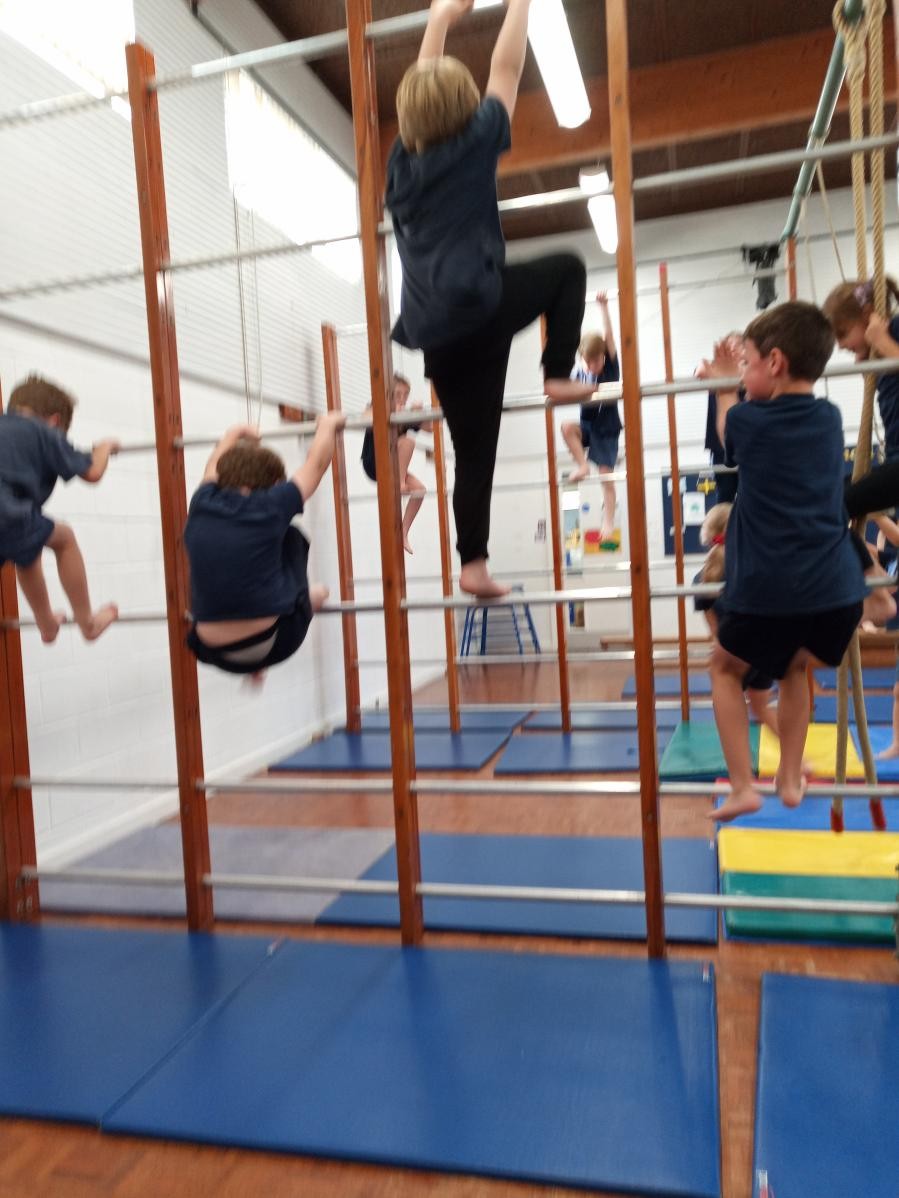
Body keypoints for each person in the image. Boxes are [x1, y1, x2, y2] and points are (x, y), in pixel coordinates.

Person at [386, 0, 593, 598]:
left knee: (474, 454)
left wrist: (439, 20)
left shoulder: (400, 167)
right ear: (466, 109)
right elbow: (506, 68)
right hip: (481, 307)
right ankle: (557, 372)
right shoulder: (475, 141)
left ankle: (472, 564)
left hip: (437, 335)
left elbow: (423, 92)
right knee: (568, 268)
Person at [696, 301, 868, 822]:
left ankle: (743, 787)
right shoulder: (829, 418)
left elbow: (728, 433)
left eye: (747, 364)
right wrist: (737, 377)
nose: (743, 376)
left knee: (724, 668)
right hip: (837, 592)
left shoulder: (749, 419)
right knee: (795, 667)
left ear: (774, 363)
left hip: (771, 588)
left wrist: (723, 388)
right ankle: (789, 778)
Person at [183, 413, 344, 680]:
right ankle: (306, 600)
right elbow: (316, 464)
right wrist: (328, 425)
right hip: (276, 641)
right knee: (290, 536)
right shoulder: (271, 504)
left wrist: (233, 434)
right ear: (273, 484)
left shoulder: (201, 502)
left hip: (207, 649)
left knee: (240, 555)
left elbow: (213, 465)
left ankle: (281, 612)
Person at [0, 375, 119, 643]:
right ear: (55, 421)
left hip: (10, 515)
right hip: (6, 512)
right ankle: (87, 623)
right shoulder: (45, 432)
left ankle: (46, 623)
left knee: (26, 547)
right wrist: (103, 448)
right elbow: (92, 472)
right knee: (63, 539)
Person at [692, 502, 779, 737]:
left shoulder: (702, 577)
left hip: (733, 652)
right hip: (765, 650)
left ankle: (737, 754)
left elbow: (712, 623)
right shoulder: (753, 566)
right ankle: (798, 757)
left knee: (728, 706)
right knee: (761, 708)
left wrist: (717, 643)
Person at [561, 292, 621, 543]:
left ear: (603, 356)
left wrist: (604, 307)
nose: (592, 367)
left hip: (606, 429)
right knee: (567, 427)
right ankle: (582, 465)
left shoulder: (610, 368)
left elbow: (609, 336)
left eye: (595, 362)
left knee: (606, 475)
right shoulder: (581, 372)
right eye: (588, 362)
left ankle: (608, 520)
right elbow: (565, 388)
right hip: (588, 427)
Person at [823, 278, 899, 461]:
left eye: (842, 334)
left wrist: (883, 342)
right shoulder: (876, 354)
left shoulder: (895, 329)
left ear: (868, 314)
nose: (840, 346)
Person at [361, 373, 426, 554]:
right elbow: (365, 417)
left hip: (391, 467)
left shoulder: (403, 415)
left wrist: (418, 413)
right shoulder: (376, 406)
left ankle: (403, 532)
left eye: (405, 395)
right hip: (374, 463)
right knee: (408, 442)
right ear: (387, 393)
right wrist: (389, 411)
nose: (402, 399)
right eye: (398, 394)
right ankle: (400, 483)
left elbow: (429, 428)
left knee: (420, 490)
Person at [703, 332, 745, 504]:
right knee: (724, 495)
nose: (733, 349)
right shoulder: (715, 370)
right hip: (720, 447)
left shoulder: (750, 373)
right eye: (729, 346)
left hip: (743, 443)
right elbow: (700, 370)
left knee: (746, 491)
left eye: (737, 346)